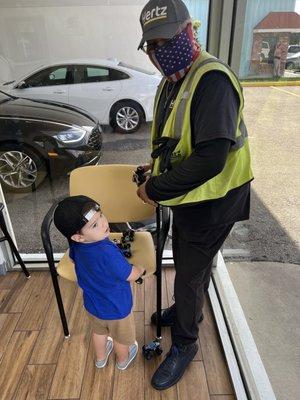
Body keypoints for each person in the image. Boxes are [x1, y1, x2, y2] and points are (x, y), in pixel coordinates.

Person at [136, 0, 253, 391]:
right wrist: (156, 168)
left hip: (214, 201)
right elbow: (180, 141)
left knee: (187, 274)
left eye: (167, 40)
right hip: (193, 198)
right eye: (151, 45)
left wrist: (155, 188)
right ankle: (186, 313)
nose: (158, 51)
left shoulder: (211, 80)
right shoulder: (175, 80)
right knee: (191, 266)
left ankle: (185, 343)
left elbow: (210, 159)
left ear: (190, 31)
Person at [54, 195, 145, 370]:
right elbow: (130, 275)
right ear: (78, 237)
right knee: (121, 338)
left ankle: (101, 359)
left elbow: (74, 260)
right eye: (94, 225)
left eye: (101, 215)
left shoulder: (77, 246)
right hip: (118, 308)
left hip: (93, 305)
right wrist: (140, 268)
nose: (104, 223)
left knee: (99, 332)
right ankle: (122, 361)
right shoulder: (107, 252)